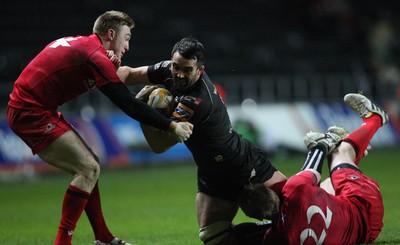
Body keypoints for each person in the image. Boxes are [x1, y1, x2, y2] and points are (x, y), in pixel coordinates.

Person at [7, 11, 193, 245]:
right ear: (111, 33)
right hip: (30, 112)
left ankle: (103, 238)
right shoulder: (95, 55)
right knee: (88, 169)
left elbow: (75, 72)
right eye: (126, 38)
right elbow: (127, 103)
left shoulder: (85, 46)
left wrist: (104, 67)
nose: (128, 45)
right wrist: (171, 126)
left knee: (90, 165)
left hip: (35, 107)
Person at [116, 37, 287, 245]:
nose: (179, 74)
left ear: (199, 70)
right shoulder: (168, 69)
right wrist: (100, 76)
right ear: (171, 61)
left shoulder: (196, 101)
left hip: (240, 164)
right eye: (176, 67)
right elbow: (129, 73)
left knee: (292, 210)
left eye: (187, 70)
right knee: (213, 238)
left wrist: (142, 110)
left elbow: (159, 145)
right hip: (211, 173)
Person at [238, 93, 388, 245]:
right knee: (338, 152)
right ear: (272, 193)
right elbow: (316, 159)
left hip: (367, 234)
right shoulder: (294, 190)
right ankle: (374, 119)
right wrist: (322, 145)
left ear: (258, 218)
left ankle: (354, 153)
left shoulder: (275, 239)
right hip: (365, 203)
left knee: (321, 189)